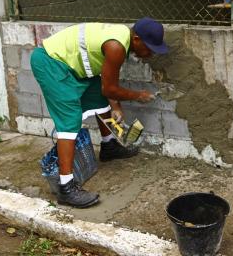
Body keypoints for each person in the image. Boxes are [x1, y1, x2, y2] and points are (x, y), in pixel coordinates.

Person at [30, 17, 168, 208]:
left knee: (98, 100)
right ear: (136, 39)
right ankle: (66, 187)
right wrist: (138, 95)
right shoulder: (116, 47)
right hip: (51, 63)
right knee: (69, 123)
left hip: (71, 64)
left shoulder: (122, 38)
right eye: (150, 47)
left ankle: (108, 145)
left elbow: (106, 83)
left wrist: (116, 106)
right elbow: (110, 89)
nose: (151, 53)